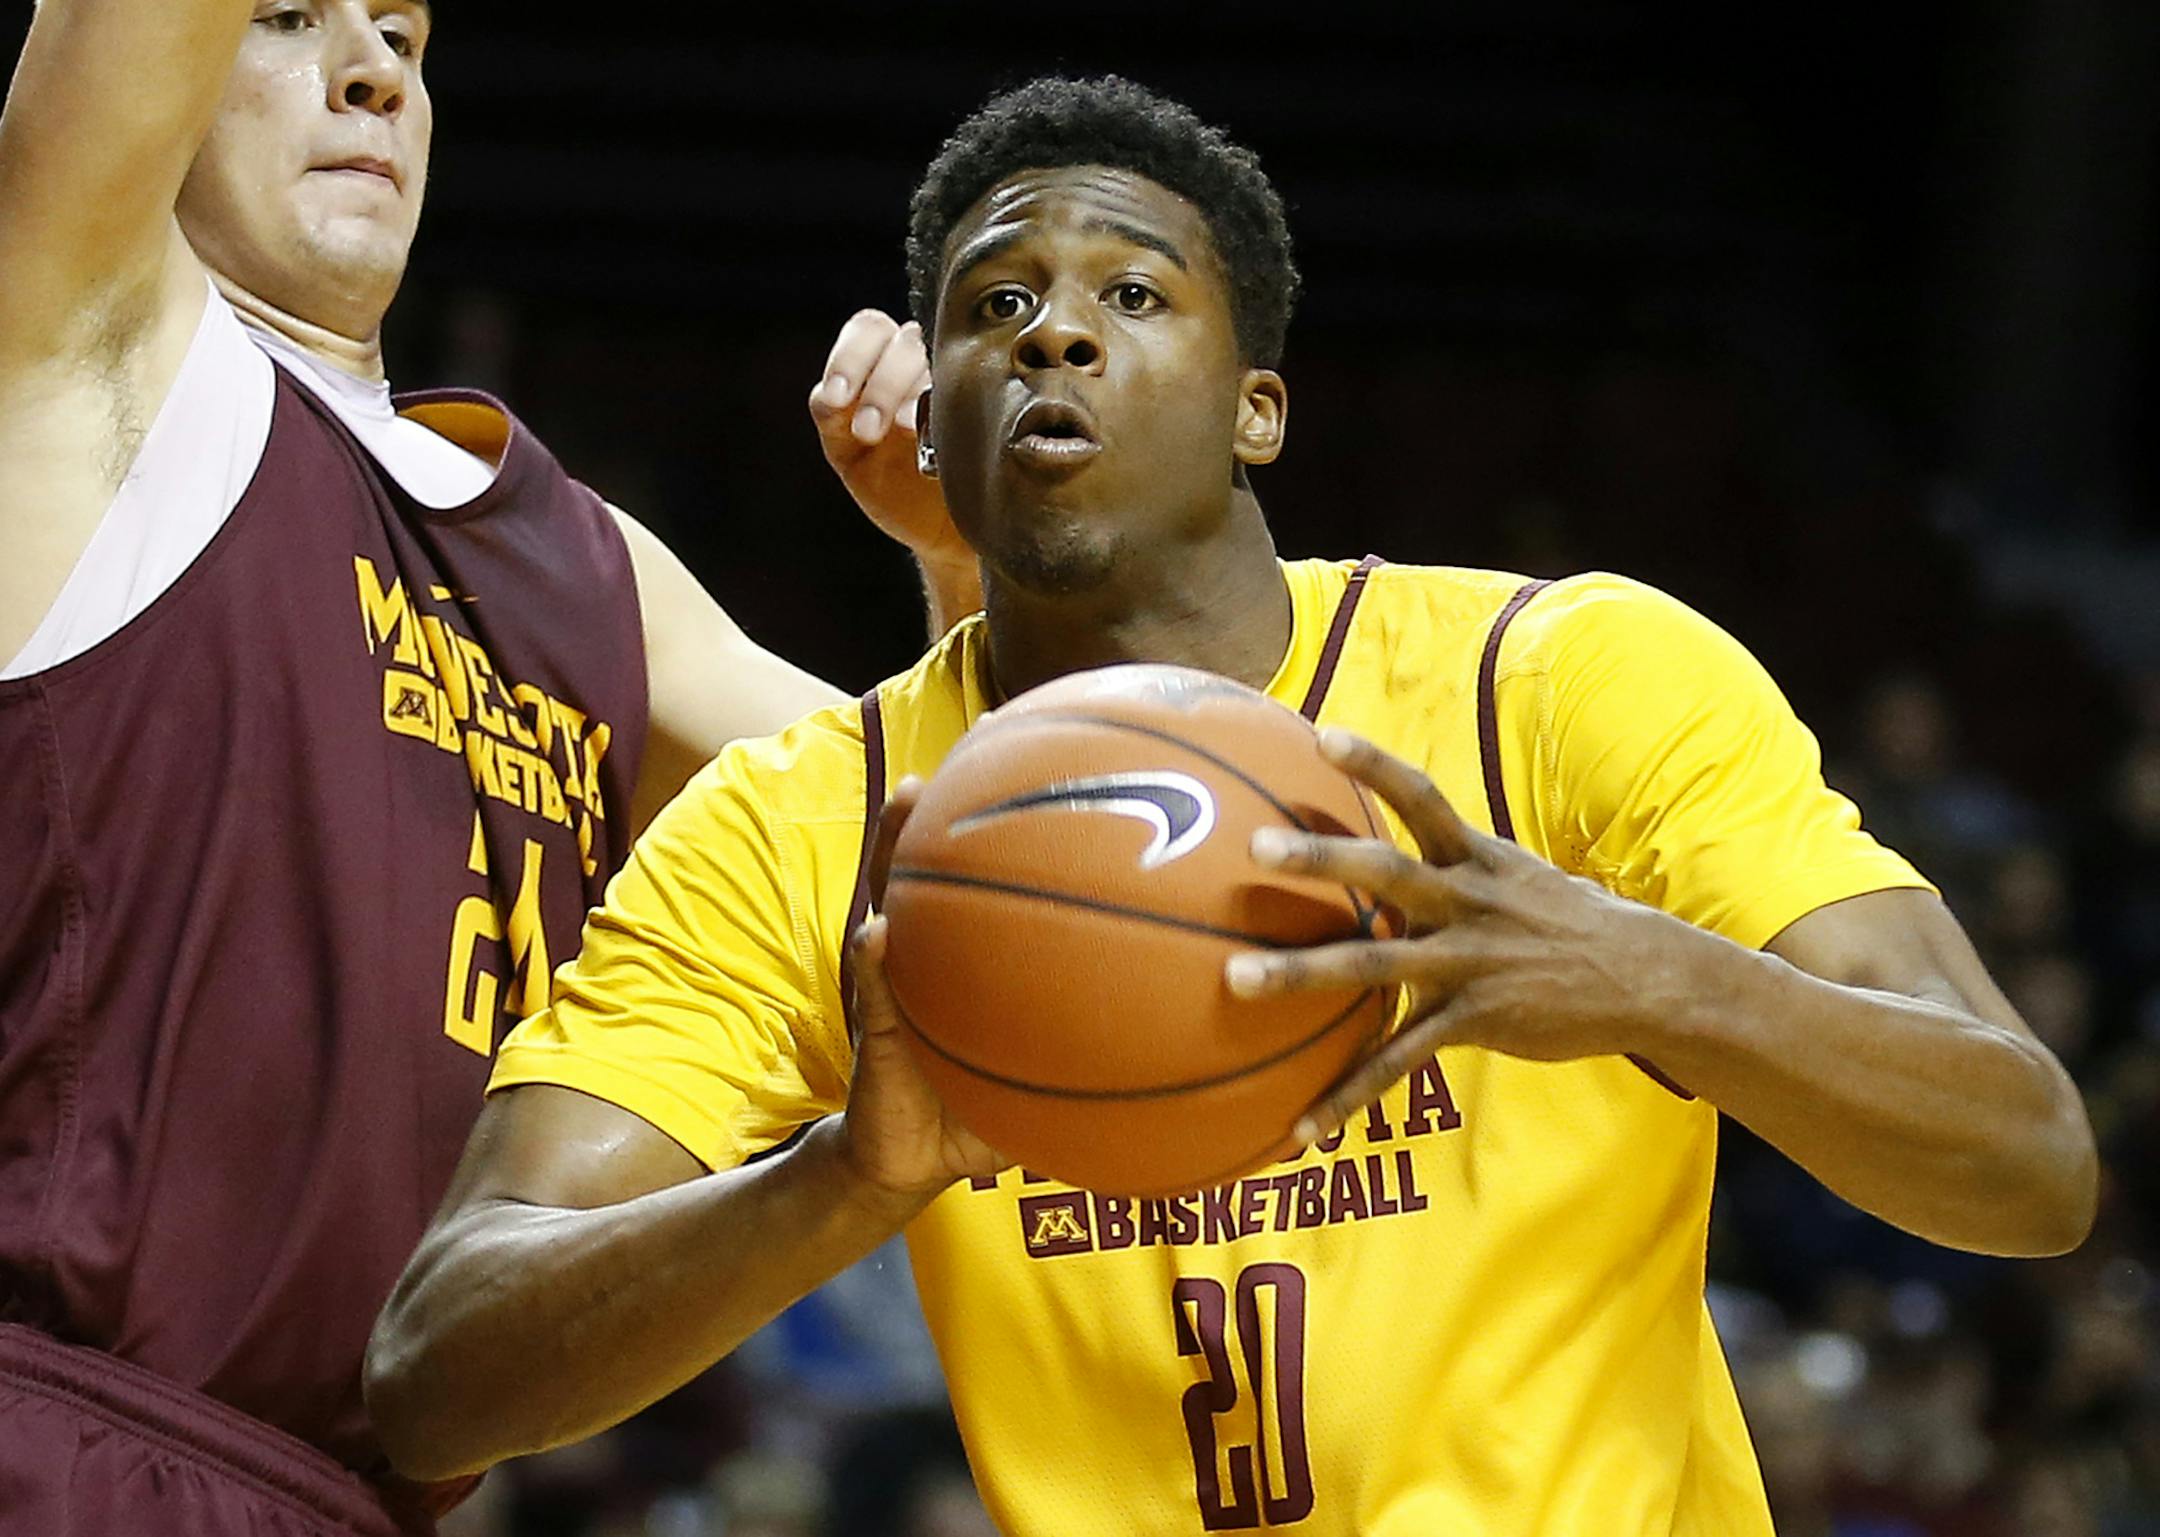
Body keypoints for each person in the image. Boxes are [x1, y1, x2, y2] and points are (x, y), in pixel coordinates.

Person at [368, 76, 2099, 1536]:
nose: (1052, 323)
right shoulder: (805, 828)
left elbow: (2027, 1160)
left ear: (1259, 405)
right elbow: (439, 1375)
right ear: (944, 415)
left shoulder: (1555, 685)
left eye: (1132, 293)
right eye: (993, 304)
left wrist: (1651, 977)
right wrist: (844, 1179)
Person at [0, 3, 966, 1534]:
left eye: (404, 33)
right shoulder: (82, 360)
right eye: (287, 18)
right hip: (60, 1439)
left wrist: (959, 559)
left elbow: (972, 863)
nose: (374, 68)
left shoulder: (581, 566)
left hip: (363, 1499)